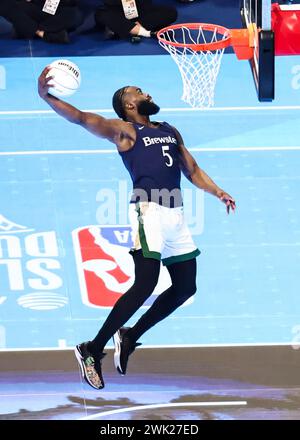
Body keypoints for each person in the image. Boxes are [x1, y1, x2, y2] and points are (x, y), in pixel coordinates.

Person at [38, 67, 236, 390]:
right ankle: (91, 349)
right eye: (139, 92)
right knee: (146, 282)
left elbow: (193, 169)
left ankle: (129, 335)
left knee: (186, 286)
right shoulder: (125, 131)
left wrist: (218, 191)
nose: (147, 94)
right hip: (149, 211)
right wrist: (47, 96)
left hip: (176, 214)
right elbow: (82, 118)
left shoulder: (170, 130)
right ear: (129, 105)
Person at [0, 0, 83, 43]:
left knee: (76, 15)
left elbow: (72, 3)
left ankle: (25, 27)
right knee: (5, 4)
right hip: (34, 7)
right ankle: (42, 33)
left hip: (58, 9)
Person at [95, 0, 177, 41]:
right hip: (118, 12)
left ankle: (126, 30)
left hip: (141, 13)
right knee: (101, 14)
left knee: (171, 12)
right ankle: (147, 33)